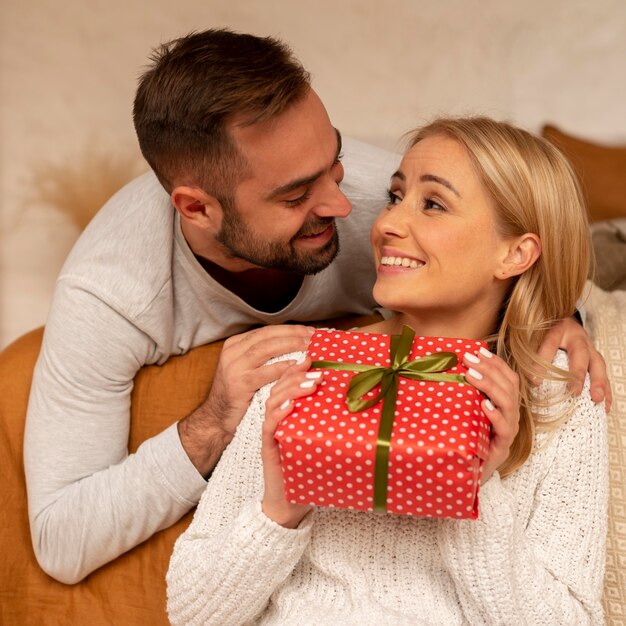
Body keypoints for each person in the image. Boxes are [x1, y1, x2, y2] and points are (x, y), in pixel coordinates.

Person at [24, 30, 607, 585]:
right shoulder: (108, 293)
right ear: (197, 209)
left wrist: (559, 318)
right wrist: (211, 423)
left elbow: (523, 236)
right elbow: (61, 539)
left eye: (336, 161)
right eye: (297, 195)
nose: (354, 210)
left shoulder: (378, 201)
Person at [166, 117, 608, 625]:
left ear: (516, 253)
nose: (387, 224)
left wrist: (475, 487)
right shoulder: (305, 370)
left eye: (434, 204)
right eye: (395, 196)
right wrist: (281, 508)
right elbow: (192, 615)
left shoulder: (557, 392)